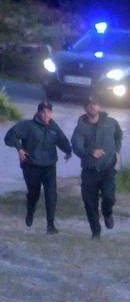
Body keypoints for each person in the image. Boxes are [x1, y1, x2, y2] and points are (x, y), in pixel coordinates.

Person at [4, 100, 72, 233]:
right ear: (38, 112)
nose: (46, 115)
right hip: (31, 166)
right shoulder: (28, 125)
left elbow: (62, 140)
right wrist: (19, 149)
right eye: (43, 112)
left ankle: (50, 225)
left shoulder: (54, 126)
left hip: (49, 166)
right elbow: (9, 136)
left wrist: (68, 151)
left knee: (51, 194)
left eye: (48, 112)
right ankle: (30, 211)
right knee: (34, 194)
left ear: (51, 113)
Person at [71, 95, 123, 238]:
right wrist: (90, 152)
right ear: (85, 108)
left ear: (99, 106)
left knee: (109, 196)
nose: (92, 107)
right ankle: (96, 232)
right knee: (89, 202)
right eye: (88, 105)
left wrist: (117, 151)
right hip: (89, 170)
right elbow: (76, 146)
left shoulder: (111, 123)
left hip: (108, 168)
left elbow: (119, 135)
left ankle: (107, 213)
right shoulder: (81, 127)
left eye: (94, 104)